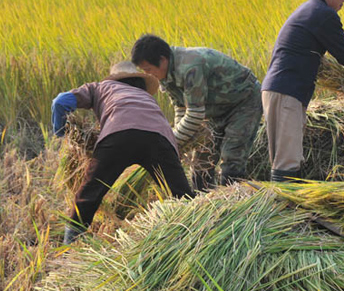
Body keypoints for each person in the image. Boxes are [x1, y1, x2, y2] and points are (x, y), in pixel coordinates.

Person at [52, 61, 195, 244]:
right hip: (159, 139)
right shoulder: (145, 96)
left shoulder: (100, 87)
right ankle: (194, 238)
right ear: (138, 80)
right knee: (182, 195)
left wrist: (62, 133)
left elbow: (60, 102)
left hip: (118, 136)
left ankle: (70, 244)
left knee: (90, 193)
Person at [262, 0, 344, 182]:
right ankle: (282, 211)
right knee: (287, 162)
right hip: (286, 92)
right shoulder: (323, 15)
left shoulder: (309, 9)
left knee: (285, 157)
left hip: (280, 89)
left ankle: (283, 209)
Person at [131, 34, 262, 191]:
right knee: (201, 161)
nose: (148, 74)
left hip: (243, 101)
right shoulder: (164, 73)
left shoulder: (190, 67)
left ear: (162, 60)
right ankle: (202, 205)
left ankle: (233, 205)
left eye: (148, 69)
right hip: (213, 108)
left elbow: (194, 114)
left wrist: (172, 142)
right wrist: (178, 140)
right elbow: (180, 107)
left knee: (231, 158)